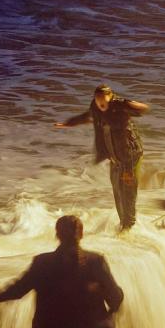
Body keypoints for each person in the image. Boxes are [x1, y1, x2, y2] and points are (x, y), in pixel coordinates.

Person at [56, 85, 150, 231]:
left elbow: (142, 109)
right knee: (118, 191)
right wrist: (68, 123)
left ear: (110, 97)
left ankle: (129, 226)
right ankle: (124, 224)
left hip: (130, 158)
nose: (100, 103)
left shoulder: (119, 106)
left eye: (103, 99)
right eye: (97, 99)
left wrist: (128, 103)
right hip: (115, 158)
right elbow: (87, 117)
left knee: (128, 192)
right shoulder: (96, 107)